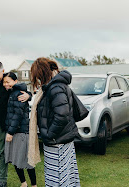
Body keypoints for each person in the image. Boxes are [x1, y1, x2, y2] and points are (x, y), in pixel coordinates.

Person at [30, 57, 80, 187]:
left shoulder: (55, 88)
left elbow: (62, 115)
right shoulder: (54, 86)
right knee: (65, 178)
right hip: (60, 140)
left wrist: (49, 134)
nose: (38, 80)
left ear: (42, 73)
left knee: (58, 179)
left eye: (38, 76)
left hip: (57, 142)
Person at [3, 72, 39, 187]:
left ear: (15, 82)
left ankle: (34, 185)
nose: (5, 84)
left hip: (21, 132)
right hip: (14, 131)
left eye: (8, 82)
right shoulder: (12, 93)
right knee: (15, 158)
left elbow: (17, 115)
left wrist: (10, 132)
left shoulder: (19, 94)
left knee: (27, 161)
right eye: (4, 82)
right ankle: (23, 183)